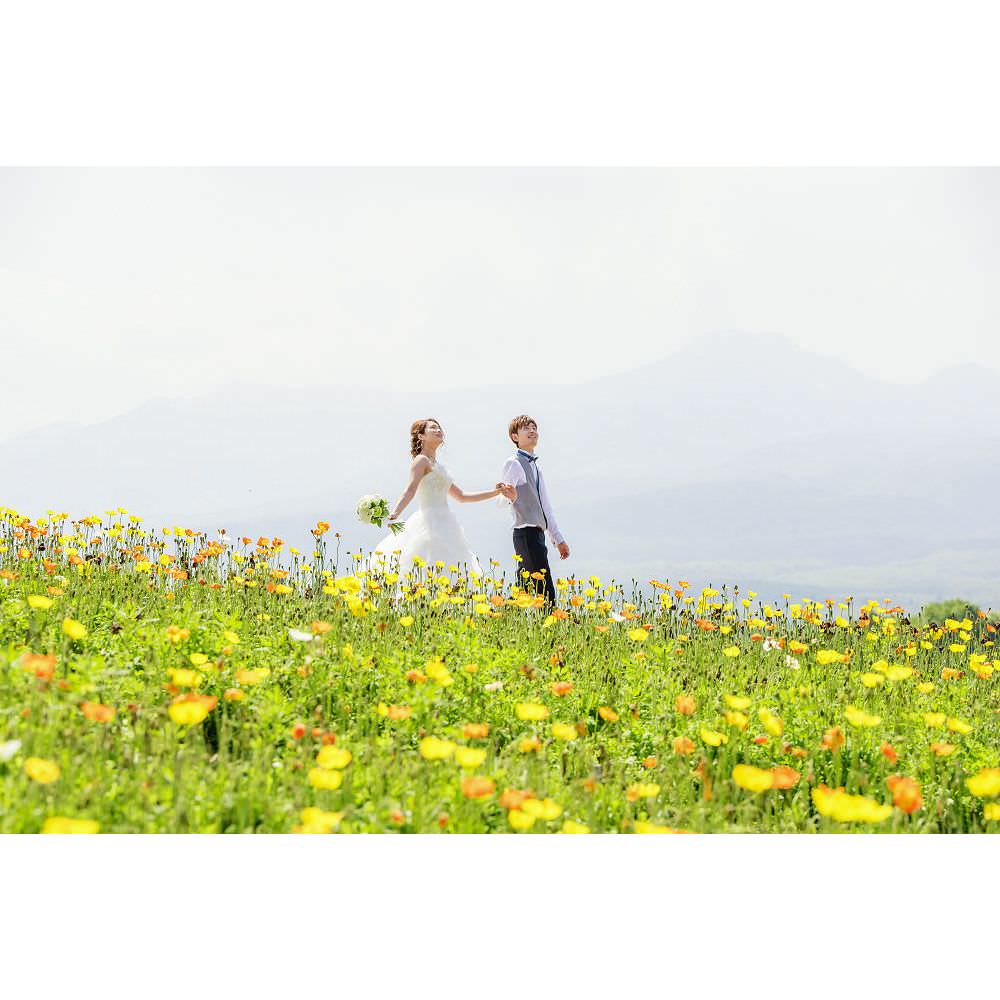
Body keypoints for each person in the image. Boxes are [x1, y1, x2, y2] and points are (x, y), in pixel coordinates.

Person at [374, 417, 515, 577]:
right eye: (432, 428)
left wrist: (496, 492)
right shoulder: (421, 461)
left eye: (439, 427)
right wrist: (395, 514)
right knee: (426, 564)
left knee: (451, 568)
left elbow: (462, 496)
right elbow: (410, 490)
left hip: (447, 524)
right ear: (421, 436)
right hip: (427, 523)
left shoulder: (439, 467)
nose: (438, 430)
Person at [499, 414, 569, 605]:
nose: (532, 431)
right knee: (545, 592)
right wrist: (510, 496)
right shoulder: (513, 463)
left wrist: (558, 539)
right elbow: (503, 499)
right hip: (525, 533)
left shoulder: (537, 468)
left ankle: (499, 620)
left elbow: (545, 507)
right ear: (515, 437)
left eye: (534, 428)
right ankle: (552, 626)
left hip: (536, 534)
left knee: (523, 589)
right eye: (526, 428)